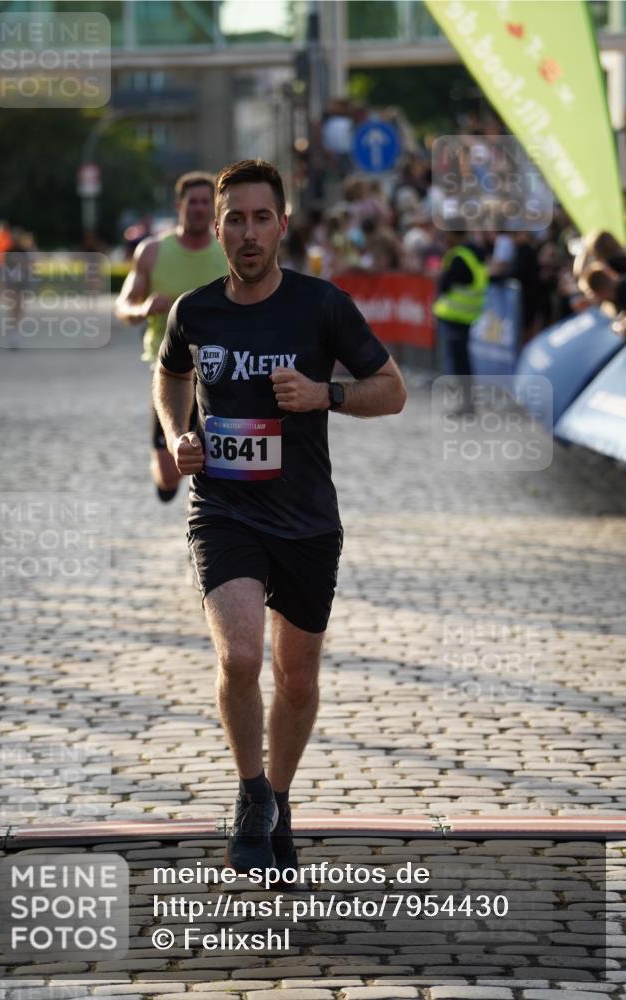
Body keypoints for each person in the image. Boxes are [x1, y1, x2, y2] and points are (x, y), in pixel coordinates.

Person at [152, 159, 406, 878]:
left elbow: (391, 391)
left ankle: (281, 798)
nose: (247, 233)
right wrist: (178, 435)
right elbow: (169, 373)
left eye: (261, 218)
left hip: (306, 520)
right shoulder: (193, 310)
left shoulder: (320, 306)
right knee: (239, 657)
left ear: (283, 225)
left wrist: (323, 394)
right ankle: (249, 793)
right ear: (220, 229)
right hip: (224, 510)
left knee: (296, 680)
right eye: (235, 219)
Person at [115, 173, 227, 502]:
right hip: (168, 368)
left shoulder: (228, 252)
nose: (200, 209)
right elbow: (123, 306)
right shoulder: (152, 251)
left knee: (218, 457)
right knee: (168, 478)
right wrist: (144, 309)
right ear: (180, 206)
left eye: (207, 202)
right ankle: (168, 479)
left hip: (219, 367)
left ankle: (210, 521)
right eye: (193, 202)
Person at [433, 227, 488, 414]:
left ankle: (467, 405)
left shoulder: (459, 257)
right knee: (462, 361)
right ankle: (468, 403)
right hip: (466, 316)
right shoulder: (474, 254)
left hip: (456, 317)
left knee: (460, 363)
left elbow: (446, 284)